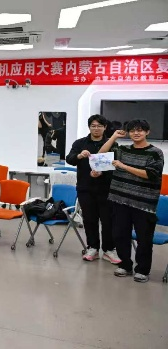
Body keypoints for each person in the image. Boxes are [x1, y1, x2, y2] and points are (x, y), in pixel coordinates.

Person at [98, 120, 164, 282]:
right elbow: (101, 155)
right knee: (120, 235)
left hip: (143, 203)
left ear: (147, 132)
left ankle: (142, 270)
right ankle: (125, 265)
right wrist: (113, 137)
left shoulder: (155, 153)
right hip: (120, 200)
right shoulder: (122, 150)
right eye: (133, 130)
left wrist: (123, 166)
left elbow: (151, 174)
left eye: (140, 130)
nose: (136, 133)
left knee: (144, 238)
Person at [65, 114, 120, 264]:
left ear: (105, 127)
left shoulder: (112, 144)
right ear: (89, 127)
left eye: (99, 126)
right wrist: (79, 156)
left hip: (106, 189)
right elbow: (69, 159)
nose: (96, 129)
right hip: (85, 188)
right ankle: (92, 248)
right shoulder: (80, 143)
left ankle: (109, 250)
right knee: (89, 220)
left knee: (108, 221)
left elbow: (115, 165)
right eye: (93, 126)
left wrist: (102, 172)